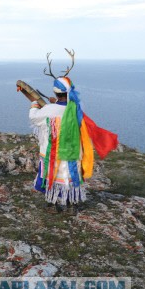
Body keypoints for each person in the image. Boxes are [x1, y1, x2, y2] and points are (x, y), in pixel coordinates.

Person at [28, 52, 119, 214]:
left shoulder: (49, 110)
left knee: (53, 177)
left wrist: (35, 103)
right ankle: (72, 206)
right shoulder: (77, 108)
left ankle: (53, 205)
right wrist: (56, 102)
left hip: (53, 152)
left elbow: (34, 118)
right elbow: (68, 107)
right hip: (72, 151)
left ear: (56, 93)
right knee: (70, 178)